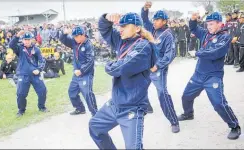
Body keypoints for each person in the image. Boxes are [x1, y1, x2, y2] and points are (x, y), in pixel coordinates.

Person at [89, 12, 155, 149]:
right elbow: (105, 29)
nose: (120, 29)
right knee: (95, 127)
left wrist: (108, 64)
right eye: (120, 26)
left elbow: (121, 68)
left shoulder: (143, 46)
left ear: (137, 28)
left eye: (124, 26)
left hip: (132, 107)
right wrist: (106, 17)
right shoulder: (122, 40)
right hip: (116, 103)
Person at [178, 12, 241, 140]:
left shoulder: (225, 37)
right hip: (198, 74)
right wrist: (193, 19)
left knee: (218, 103)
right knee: (186, 96)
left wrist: (198, 52)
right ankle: (188, 114)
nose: (209, 27)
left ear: (219, 24)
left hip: (213, 76)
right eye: (207, 24)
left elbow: (215, 52)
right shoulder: (206, 34)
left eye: (211, 24)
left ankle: (234, 126)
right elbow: (194, 28)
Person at [141, 1, 180, 133]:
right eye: (155, 19)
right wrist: (145, 9)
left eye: (157, 20)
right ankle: (147, 107)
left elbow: (170, 54)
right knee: (139, 87)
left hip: (158, 69)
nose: (155, 22)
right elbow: (144, 20)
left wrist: (157, 65)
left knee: (162, 93)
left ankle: (174, 121)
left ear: (164, 21)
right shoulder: (152, 30)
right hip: (147, 66)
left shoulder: (168, 35)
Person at [60, 26, 98, 116]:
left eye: (77, 36)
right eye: (74, 36)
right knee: (72, 92)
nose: (75, 38)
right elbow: (63, 39)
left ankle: (95, 113)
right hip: (76, 74)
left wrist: (81, 70)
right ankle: (80, 109)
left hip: (86, 73)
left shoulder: (88, 45)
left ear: (83, 35)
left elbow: (90, 61)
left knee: (87, 94)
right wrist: (65, 33)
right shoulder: (74, 42)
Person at [9, 31, 48, 117]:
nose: (26, 41)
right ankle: (21, 110)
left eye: (28, 39)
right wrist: (17, 35)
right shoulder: (19, 48)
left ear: (31, 40)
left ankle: (42, 107)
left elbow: (42, 61)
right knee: (21, 94)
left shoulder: (36, 49)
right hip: (23, 74)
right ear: (22, 40)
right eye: (25, 39)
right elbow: (11, 45)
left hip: (35, 75)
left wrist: (39, 69)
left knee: (43, 91)